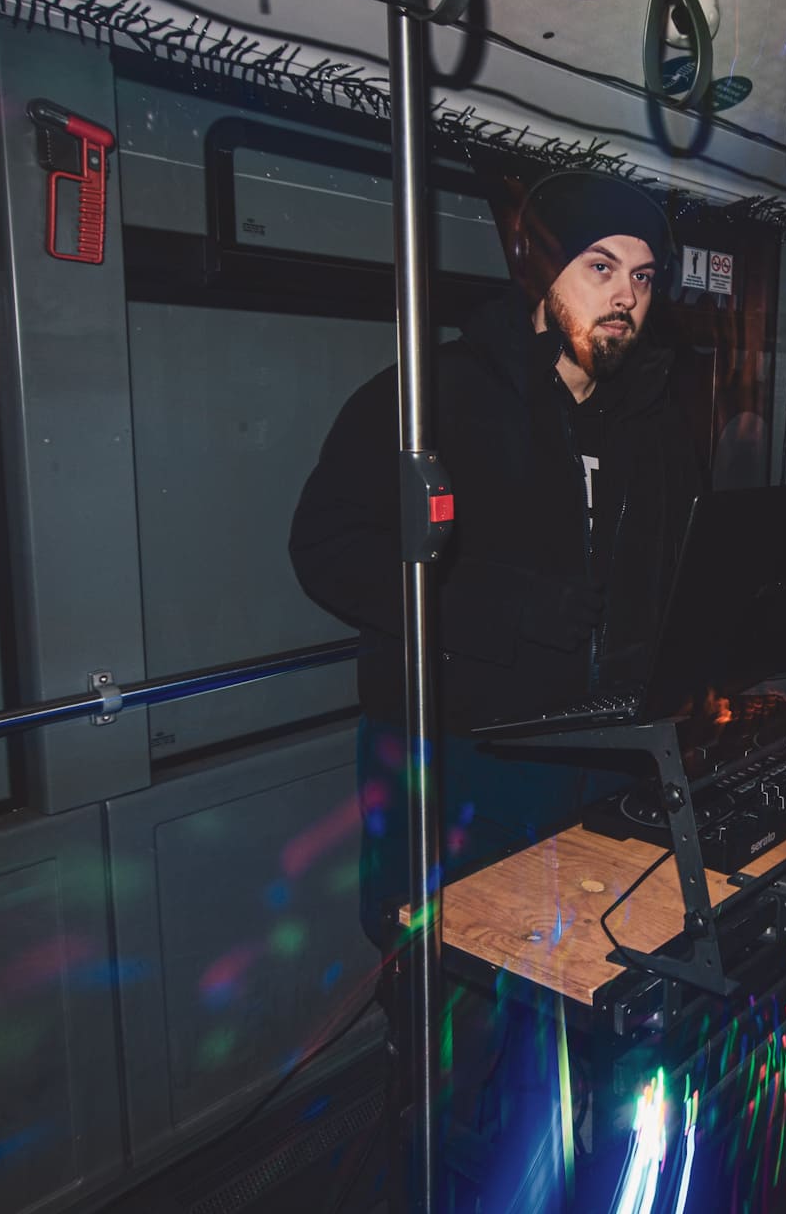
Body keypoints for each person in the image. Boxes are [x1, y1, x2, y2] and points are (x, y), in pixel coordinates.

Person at [289, 169, 702, 949]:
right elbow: (326, 548)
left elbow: (679, 569)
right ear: (542, 271)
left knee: (585, 967)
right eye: (601, 266)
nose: (627, 295)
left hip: (607, 751)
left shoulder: (655, 423)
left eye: (644, 276)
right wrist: (500, 607)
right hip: (460, 755)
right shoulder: (433, 395)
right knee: (455, 980)